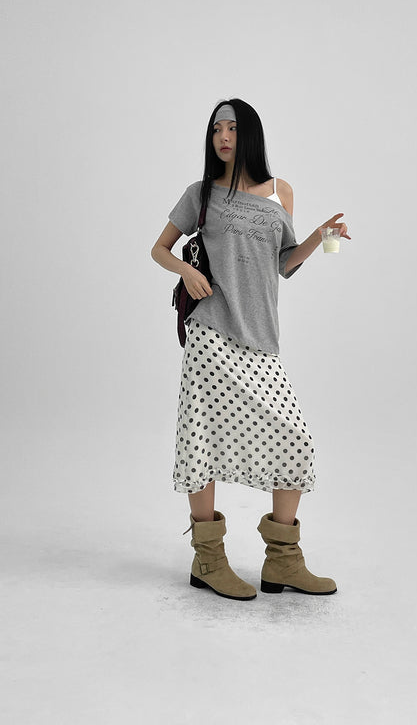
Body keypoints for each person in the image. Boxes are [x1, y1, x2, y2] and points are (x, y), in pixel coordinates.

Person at [151, 98, 350, 601]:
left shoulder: (281, 191)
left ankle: (283, 562)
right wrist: (187, 271)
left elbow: (283, 263)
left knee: (295, 439)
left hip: (261, 338)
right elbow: (159, 248)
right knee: (201, 441)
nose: (223, 137)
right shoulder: (200, 193)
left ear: (251, 134)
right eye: (216, 128)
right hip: (210, 333)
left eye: (233, 128)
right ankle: (208, 560)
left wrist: (320, 237)